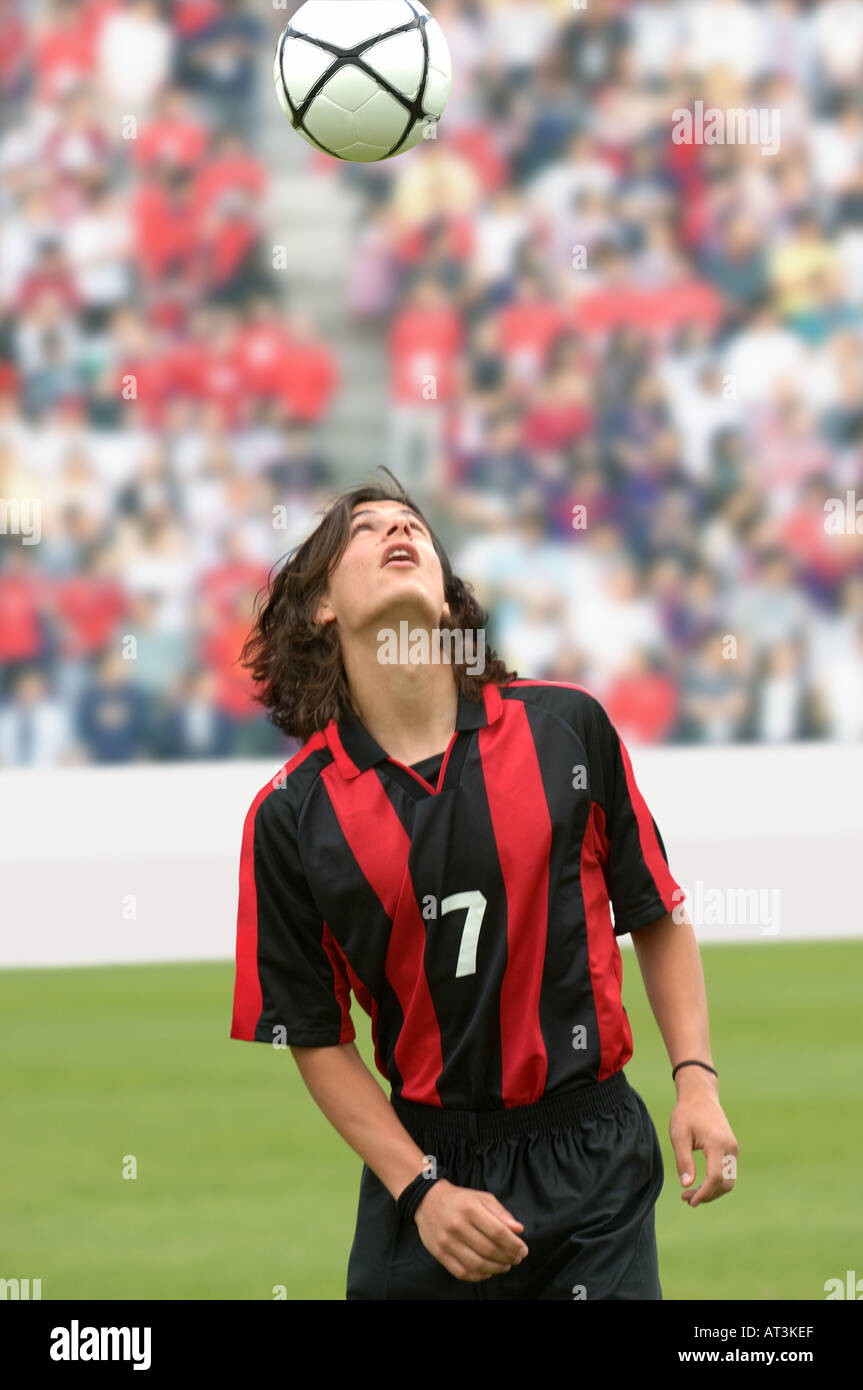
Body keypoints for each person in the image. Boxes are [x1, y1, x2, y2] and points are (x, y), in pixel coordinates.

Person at [230, 471, 738, 1300]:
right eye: (365, 531)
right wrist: (421, 1190)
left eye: (413, 526)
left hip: (592, 1152)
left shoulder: (563, 726)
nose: (398, 531)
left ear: (444, 596)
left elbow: (655, 910)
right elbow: (315, 1034)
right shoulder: (290, 816)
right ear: (320, 606)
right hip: (425, 1166)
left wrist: (695, 1080)